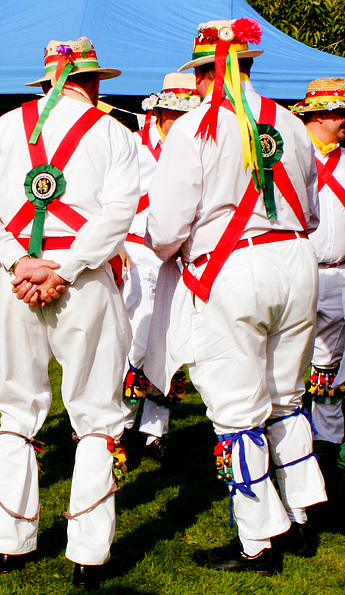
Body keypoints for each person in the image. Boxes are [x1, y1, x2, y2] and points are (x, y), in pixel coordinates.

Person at [146, 18, 327, 574]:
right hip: (298, 261)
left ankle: (257, 541)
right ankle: (302, 510)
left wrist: (163, 247)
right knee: (286, 395)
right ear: (249, 63)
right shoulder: (293, 123)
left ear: (204, 72)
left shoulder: (196, 125)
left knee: (235, 408)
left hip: (232, 268)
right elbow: (314, 209)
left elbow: (168, 223)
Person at [0, 37, 139, 588]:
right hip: (82, 281)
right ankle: (88, 552)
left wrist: (18, 262)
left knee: (16, 408)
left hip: (16, 282)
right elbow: (119, 213)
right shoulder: (114, 133)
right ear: (94, 82)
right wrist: (64, 268)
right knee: (95, 410)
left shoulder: (4, 128)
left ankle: (10, 543)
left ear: (47, 81)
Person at [290, 79, 345, 448]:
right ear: (321, 115)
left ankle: (329, 444)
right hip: (295, 273)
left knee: (329, 366)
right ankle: (286, 442)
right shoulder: (288, 153)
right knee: (286, 360)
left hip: (339, 276)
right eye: (342, 114)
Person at [122, 72, 200, 458]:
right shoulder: (132, 147)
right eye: (175, 112)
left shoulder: (199, 146)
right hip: (135, 254)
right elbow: (112, 200)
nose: (182, 119)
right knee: (130, 339)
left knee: (171, 337)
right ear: (159, 112)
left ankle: (156, 429)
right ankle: (116, 426)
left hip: (178, 259)